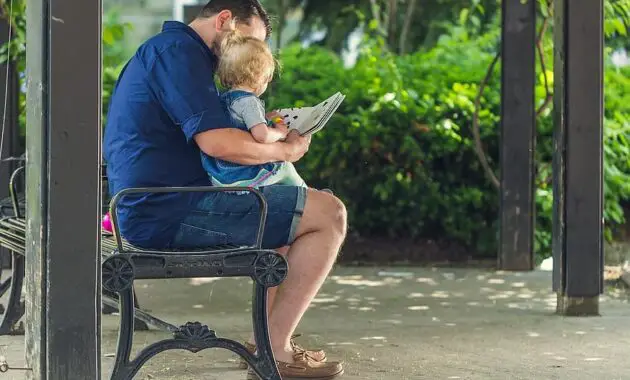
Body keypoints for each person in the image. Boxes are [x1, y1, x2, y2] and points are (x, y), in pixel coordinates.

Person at [102, 0, 347, 379]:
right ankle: (277, 350)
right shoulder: (179, 54)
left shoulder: (175, 53)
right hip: (166, 211)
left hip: (156, 204)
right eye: (250, 43)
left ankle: (263, 346)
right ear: (224, 21)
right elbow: (217, 144)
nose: (251, 56)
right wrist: (287, 149)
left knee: (288, 218)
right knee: (329, 213)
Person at [203, 31, 306, 188]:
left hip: (220, 174)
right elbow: (262, 136)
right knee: (284, 166)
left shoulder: (224, 99)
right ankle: (309, 194)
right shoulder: (249, 102)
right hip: (241, 175)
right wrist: (280, 132)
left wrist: (265, 118)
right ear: (262, 77)